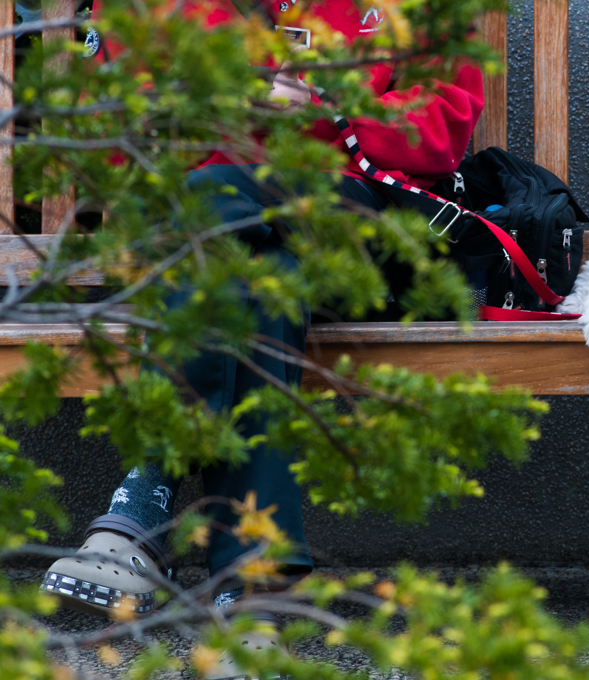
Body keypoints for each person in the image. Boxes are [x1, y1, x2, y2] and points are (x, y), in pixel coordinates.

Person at [41, 0, 482, 671]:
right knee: (247, 266)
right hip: (197, 242)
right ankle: (252, 589)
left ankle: (145, 503)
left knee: (213, 207)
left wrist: (329, 105)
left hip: (348, 224)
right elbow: (111, 124)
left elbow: (444, 125)